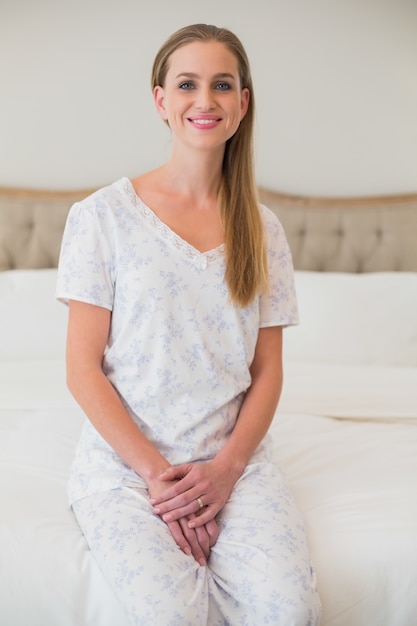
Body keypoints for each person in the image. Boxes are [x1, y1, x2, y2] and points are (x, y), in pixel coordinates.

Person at [56, 23, 321, 626]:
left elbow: (268, 370)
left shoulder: (264, 229)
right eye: (187, 84)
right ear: (161, 100)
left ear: (243, 102)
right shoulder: (101, 217)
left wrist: (226, 471)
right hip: (124, 471)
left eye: (222, 85)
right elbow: (81, 369)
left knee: (289, 610)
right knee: (169, 615)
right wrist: (159, 480)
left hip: (235, 462)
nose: (205, 101)